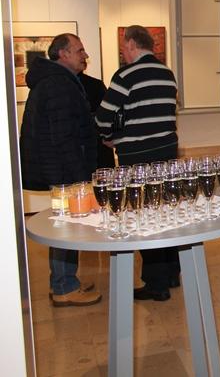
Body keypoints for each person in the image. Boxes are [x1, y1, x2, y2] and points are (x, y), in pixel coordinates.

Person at [96, 25, 180, 301]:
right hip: (167, 150)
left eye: (124, 46)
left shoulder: (125, 75)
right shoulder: (167, 73)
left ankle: (156, 284)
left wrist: (109, 138)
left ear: (132, 44)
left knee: (144, 214)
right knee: (165, 209)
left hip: (136, 154)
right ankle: (172, 273)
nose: (123, 51)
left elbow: (103, 116)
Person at [20, 33, 101, 307]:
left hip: (60, 168)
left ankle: (65, 281)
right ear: (63, 54)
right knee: (68, 227)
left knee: (68, 224)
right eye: (79, 50)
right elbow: (64, 137)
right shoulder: (58, 84)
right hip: (65, 171)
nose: (84, 55)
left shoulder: (56, 81)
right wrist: (81, 177)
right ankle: (64, 286)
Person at [79, 70, 116, 169]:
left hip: (98, 145)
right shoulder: (95, 84)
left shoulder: (95, 84)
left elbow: (107, 115)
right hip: (97, 144)